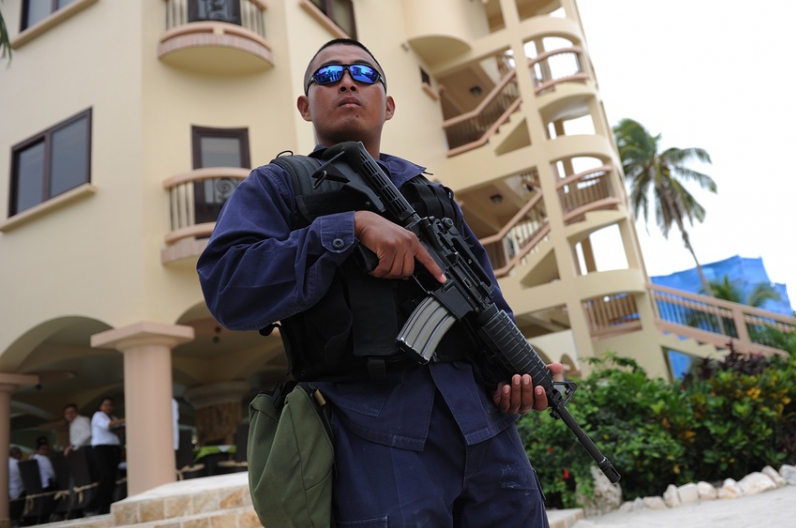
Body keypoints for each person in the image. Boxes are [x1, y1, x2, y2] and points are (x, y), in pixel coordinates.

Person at [197, 38, 561, 527]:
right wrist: (346, 228)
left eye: (365, 74)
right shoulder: (279, 186)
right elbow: (227, 287)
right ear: (305, 106)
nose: (348, 82)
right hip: (371, 434)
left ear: (388, 104)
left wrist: (513, 379)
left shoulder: (434, 196)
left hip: (488, 433)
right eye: (329, 75)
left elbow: (488, 305)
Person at [86, 397, 124, 516]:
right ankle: (92, 506)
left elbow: (117, 428)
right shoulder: (98, 415)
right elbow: (107, 425)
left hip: (113, 448)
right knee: (106, 476)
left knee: (112, 478)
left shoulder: (113, 417)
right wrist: (125, 419)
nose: (108, 407)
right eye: (105, 405)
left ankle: (105, 506)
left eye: (110, 405)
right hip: (102, 448)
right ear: (100, 407)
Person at [8, 446, 25, 524]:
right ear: (16, 455)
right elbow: (24, 476)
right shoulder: (17, 463)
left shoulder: (7, 462)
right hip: (19, 490)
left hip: (10, 490)